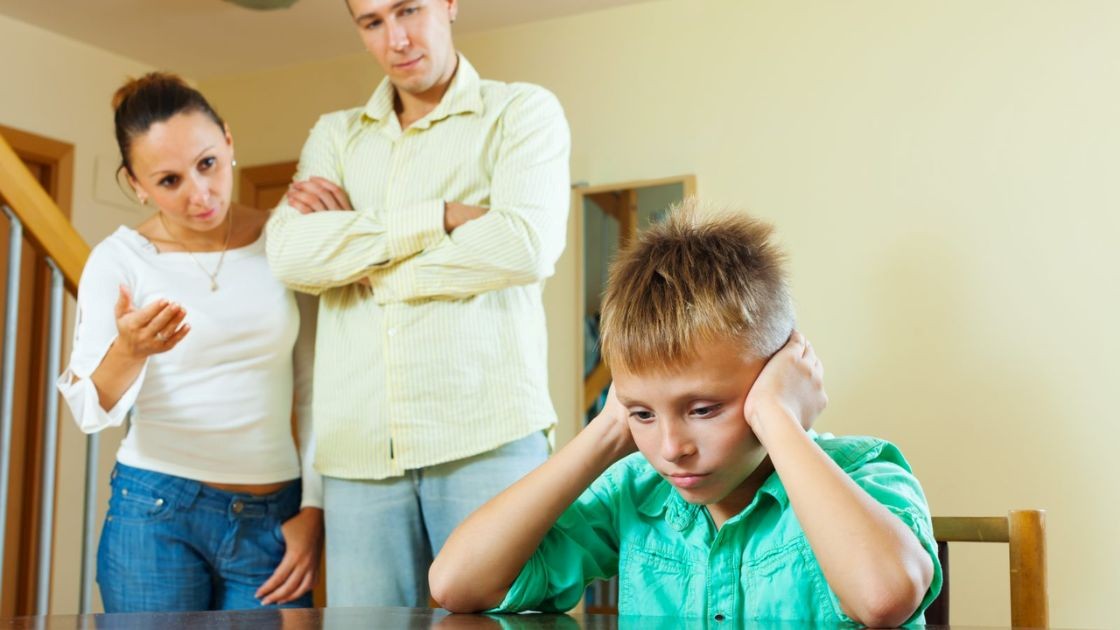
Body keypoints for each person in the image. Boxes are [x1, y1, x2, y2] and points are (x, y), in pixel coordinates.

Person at [429, 199, 943, 625]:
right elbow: (456, 583)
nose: (672, 449)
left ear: (774, 382)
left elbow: (883, 597)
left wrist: (778, 419)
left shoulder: (866, 470)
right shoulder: (636, 494)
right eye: (644, 414)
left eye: (702, 409)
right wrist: (609, 428)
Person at [264, 0, 570, 607]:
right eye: (371, 22)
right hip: (358, 452)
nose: (396, 38)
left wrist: (364, 265)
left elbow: (523, 246)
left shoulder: (521, 111)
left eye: (408, 10)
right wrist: (441, 217)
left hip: (487, 433)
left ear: (450, 5)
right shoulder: (335, 134)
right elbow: (292, 257)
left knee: (512, 621)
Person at [57, 73, 322, 612]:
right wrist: (130, 352)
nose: (201, 195)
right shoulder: (120, 260)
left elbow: (316, 387)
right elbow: (91, 409)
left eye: (208, 164)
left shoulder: (285, 239)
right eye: (170, 181)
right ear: (136, 185)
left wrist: (314, 510)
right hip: (155, 511)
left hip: (275, 517)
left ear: (228, 140)